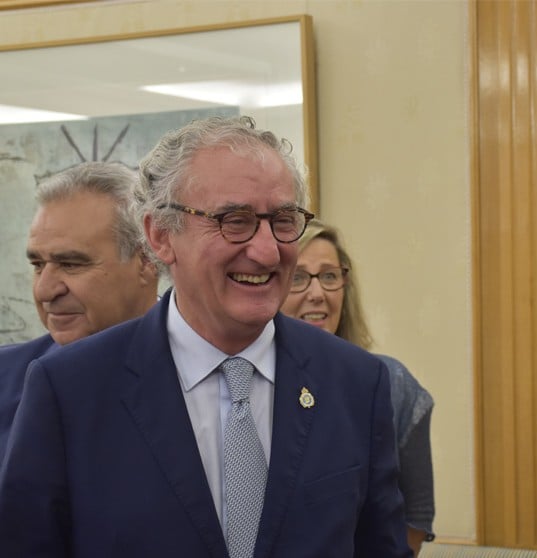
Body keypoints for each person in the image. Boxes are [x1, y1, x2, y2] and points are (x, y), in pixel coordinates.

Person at [0, 116, 412, 558]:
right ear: (160, 236)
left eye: (284, 220)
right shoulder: (69, 391)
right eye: (234, 221)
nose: (267, 250)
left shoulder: (354, 382)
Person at [281, 220, 435, 555]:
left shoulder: (393, 384)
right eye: (298, 278)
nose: (317, 293)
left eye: (329, 276)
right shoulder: (249, 386)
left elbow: (415, 518)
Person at [0, 161, 159, 460]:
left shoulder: (202, 379)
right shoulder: (6, 379)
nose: (44, 290)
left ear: (148, 260)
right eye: (37, 265)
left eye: (71, 264)